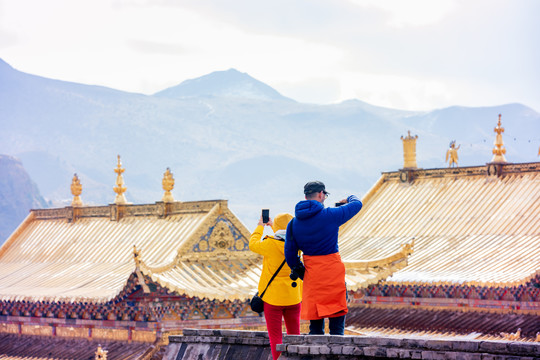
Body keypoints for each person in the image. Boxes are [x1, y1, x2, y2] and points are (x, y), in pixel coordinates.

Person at [285, 181, 362, 335]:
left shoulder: (293, 224)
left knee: (315, 328)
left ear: (305, 196)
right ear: (321, 194)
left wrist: (304, 274)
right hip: (332, 273)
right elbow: (357, 204)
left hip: (312, 274)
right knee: (336, 327)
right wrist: (348, 198)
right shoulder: (331, 215)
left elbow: (290, 256)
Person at [249, 212, 302, 360]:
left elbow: (253, 244)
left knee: (275, 337)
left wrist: (260, 227)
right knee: (295, 335)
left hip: (273, 299)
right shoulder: (299, 244)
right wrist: (274, 227)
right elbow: (285, 240)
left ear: (277, 227)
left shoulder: (270, 244)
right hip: (293, 297)